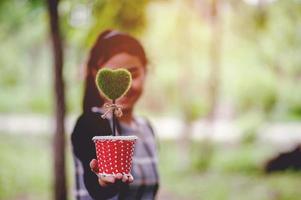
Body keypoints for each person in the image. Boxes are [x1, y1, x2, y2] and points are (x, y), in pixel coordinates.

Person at [71, 29, 159, 200]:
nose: (125, 87)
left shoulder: (146, 128)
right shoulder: (89, 124)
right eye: (112, 75)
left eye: (133, 74)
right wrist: (104, 181)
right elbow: (97, 186)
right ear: (96, 75)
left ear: (145, 72)